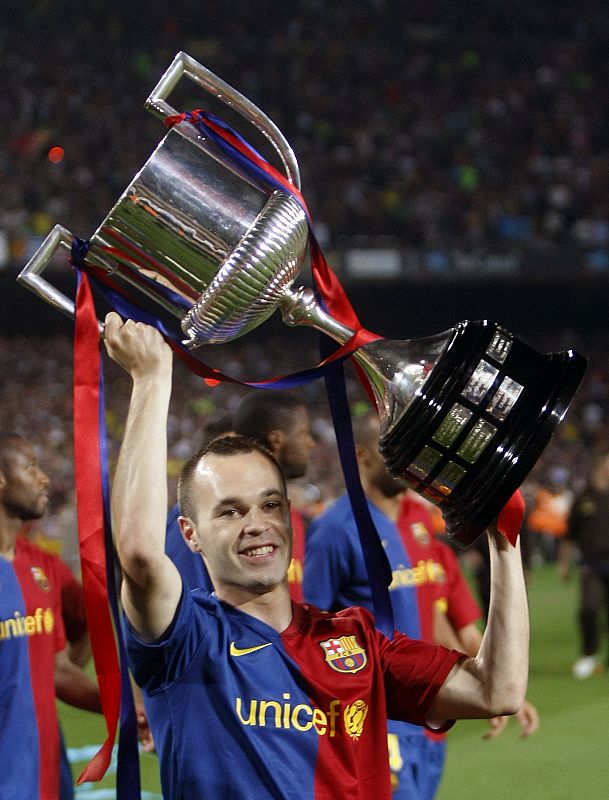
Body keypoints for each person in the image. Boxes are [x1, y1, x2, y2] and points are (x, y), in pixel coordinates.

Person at [104, 312, 529, 800]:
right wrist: (152, 378)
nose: (256, 524)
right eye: (229, 512)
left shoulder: (355, 641)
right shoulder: (187, 638)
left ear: (288, 513)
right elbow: (137, 552)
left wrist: (504, 539)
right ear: (190, 534)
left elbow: (498, 691)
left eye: (269, 504)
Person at [304, 413, 538, 798]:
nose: (407, 460)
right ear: (361, 456)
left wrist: (487, 681)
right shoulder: (335, 530)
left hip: (429, 715)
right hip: (379, 721)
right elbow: (312, 634)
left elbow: (435, 612)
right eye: (393, 450)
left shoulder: (422, 521)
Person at [0, 433, 102, 800]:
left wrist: (125, 710)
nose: (44, 477)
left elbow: (57, 669)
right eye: (30, 467)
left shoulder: (43, 566)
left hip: (46, 771)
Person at [165, 389, 316, 601]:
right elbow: (181, 610)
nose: (311, 443)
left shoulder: (290, 518)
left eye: (270, 506)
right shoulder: (197, 521)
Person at [560, 453, 609, 678]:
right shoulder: (584, 497)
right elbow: (569, 534)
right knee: (589, 609)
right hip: (592, 564)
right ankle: (589, 654)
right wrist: (565, 564)